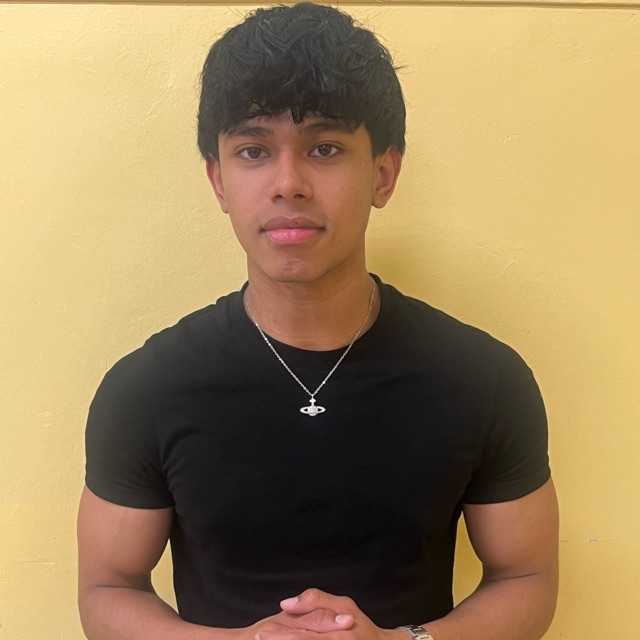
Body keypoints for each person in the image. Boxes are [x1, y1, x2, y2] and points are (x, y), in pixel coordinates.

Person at [77, 2, 559, 640]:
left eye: (325, 148)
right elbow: (107, 590)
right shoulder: (145, 388)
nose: (288, 183)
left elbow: (525, 578)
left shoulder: (484, 377)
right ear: (218, 180)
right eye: (253, 150)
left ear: (383, 173)